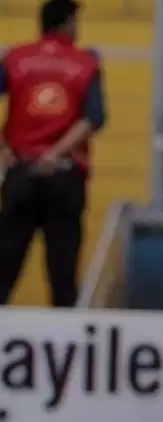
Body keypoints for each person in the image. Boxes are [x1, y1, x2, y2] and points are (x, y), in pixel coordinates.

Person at [0, 0, 106, 306]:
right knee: (63, 276)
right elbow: (93, 118)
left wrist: (4, 148)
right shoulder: (86, 63)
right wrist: (55, 154)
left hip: (21, 171)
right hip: (64, 174)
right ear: (67, 24)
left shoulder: (15, 59)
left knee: (4, 268)